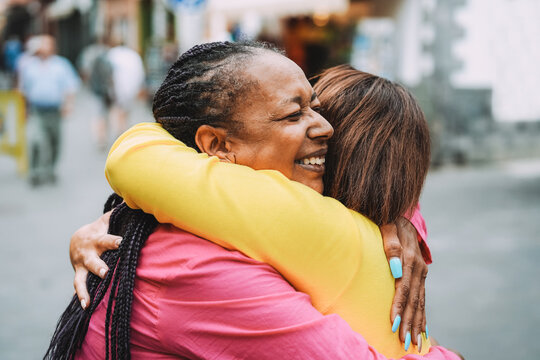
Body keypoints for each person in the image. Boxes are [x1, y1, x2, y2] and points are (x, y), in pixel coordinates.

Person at [48, 42, 458, 359]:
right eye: (293, 114)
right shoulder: (198, 266)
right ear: (217, 145)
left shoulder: (199, 215)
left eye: (316, 107)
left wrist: (400, 218)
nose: (326, 127)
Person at [18, 35, 80, 186]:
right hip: (37, 111)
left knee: (54, 142)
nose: (44, 48)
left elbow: (71, 86)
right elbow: (23, 90)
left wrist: (68, 105)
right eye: (42, 45)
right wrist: (24, 109)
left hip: (55, 111)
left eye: (48, 45)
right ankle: (35, 172)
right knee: (37, 141)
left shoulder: (61, 65)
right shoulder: (29, 66)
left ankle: (51, 169)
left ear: (53, 47)